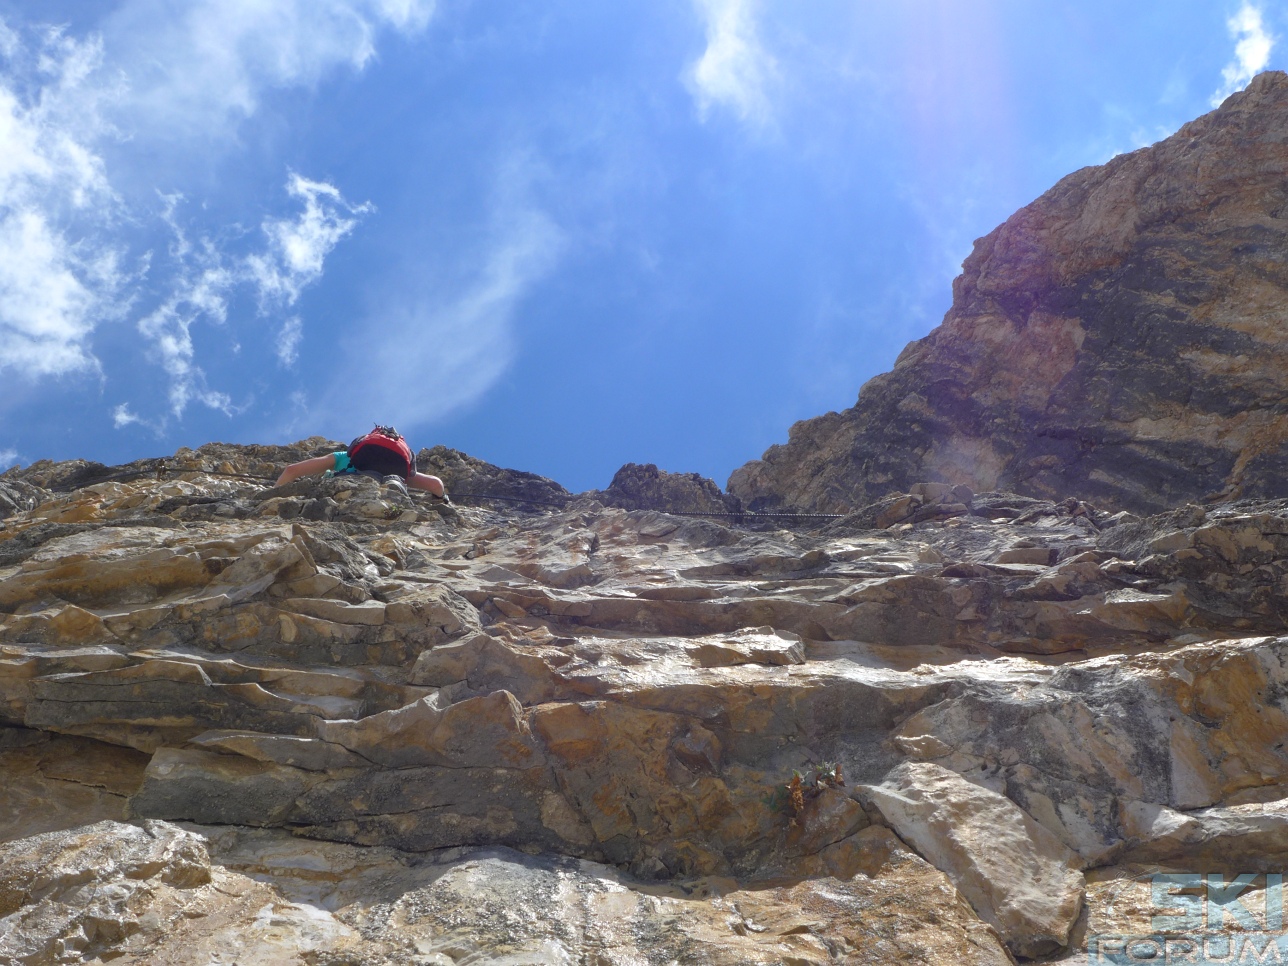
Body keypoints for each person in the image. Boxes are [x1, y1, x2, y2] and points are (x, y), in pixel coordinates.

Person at [275, 425, 447, 498]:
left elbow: (292, 470)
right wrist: (441, 500)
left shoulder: (343, 456)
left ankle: (361, 479)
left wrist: (267, 497)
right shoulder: (402, 466)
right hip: (393, 482)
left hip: (345, 489)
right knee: (394, 482)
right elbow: (436, 485)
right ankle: (390, 483)